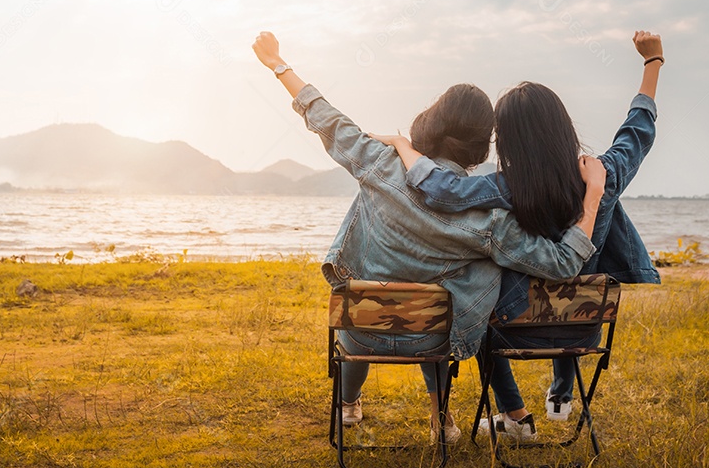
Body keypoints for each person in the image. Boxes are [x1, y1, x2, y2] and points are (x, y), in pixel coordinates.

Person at [251, 31, 607, 443]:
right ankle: (442, 417)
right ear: (480, 147)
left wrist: (279, 64)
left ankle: (347, 404)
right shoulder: (490, 217)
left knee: (367, 307)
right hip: (433, 337)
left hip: (362, 325)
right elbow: (562, 263)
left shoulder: (380, 161)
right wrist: (593, 197)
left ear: (433, 119)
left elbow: (326, 118)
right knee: (448, 287)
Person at [375, 31, 664, 442]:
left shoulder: (505, 186)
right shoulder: (603, 172)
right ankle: (559, 394)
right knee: (585, 253)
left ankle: (514, 416)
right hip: (585, 324)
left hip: (512, 326)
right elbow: (637, 132)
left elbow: (439, 189)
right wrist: (653, 62)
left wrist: (404, 145)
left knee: (482, 286)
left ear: (506, 140)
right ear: (563, 127)